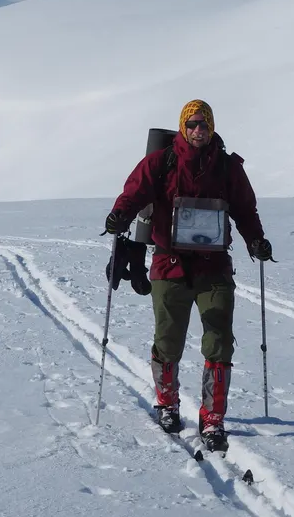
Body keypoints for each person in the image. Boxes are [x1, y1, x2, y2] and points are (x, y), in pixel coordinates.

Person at [104, 99, 273, 451]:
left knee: (219, 339)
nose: (199, 130)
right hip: (170, 265)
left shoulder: (228, 169)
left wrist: (255, 240)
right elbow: (134, 192)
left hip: (214, 268)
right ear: (183, 126)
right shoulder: (162, 162)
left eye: (204, 124)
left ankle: (212, 417)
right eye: (193, 124)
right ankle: (167, 404)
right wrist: (119, 216)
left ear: (212, 128)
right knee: (168, 339)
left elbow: (245, 209)